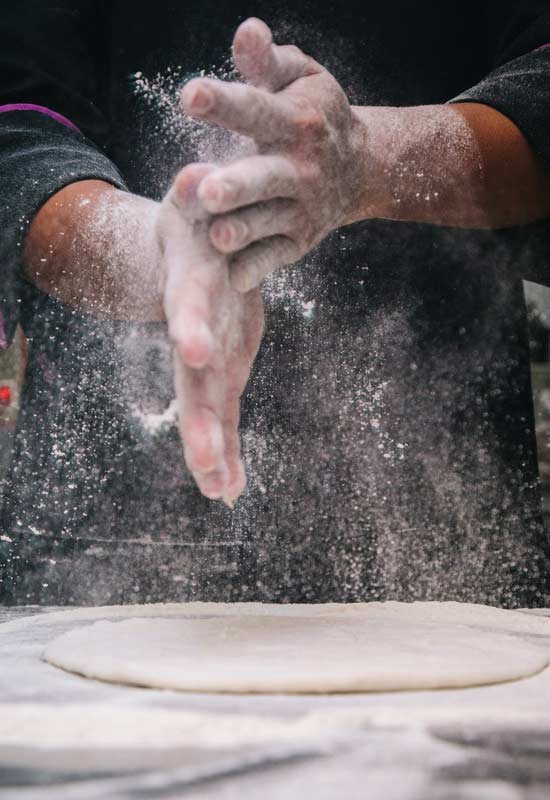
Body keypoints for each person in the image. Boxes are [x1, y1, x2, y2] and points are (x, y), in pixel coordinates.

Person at [0, 1, 550, 607]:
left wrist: (373, 158)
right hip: (111, 532)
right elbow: (19, 126)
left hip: (448, 516)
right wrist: (154, 253)